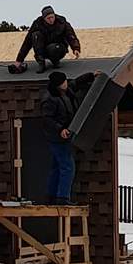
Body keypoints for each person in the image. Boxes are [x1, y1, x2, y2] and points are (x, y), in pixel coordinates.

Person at [41, 70, 97, 204]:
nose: (66, 83)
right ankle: (63, 197)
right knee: (68, 167)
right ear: (58, 85)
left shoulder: (66, 90)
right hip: (57, 138)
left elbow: (76, 82)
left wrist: (91, 75)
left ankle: (51, 196)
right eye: (63, 82)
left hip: (66, 135)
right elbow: (47, 119)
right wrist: (60, 129)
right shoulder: (49, 99)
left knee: (57, 167)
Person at [12, 6, 81, 74]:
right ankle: (41, 63)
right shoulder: (37, 24)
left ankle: (55, 61)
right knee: (36, 35)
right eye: (48, 18)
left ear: (54, 15)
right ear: (44, 18)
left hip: (58, 48)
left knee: (53, 48)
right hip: (43, 50)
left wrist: (76, 48)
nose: (51, 20)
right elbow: (27, 42)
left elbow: (71, 35)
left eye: (52, 17)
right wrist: (19, 60)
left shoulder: (62, 22)